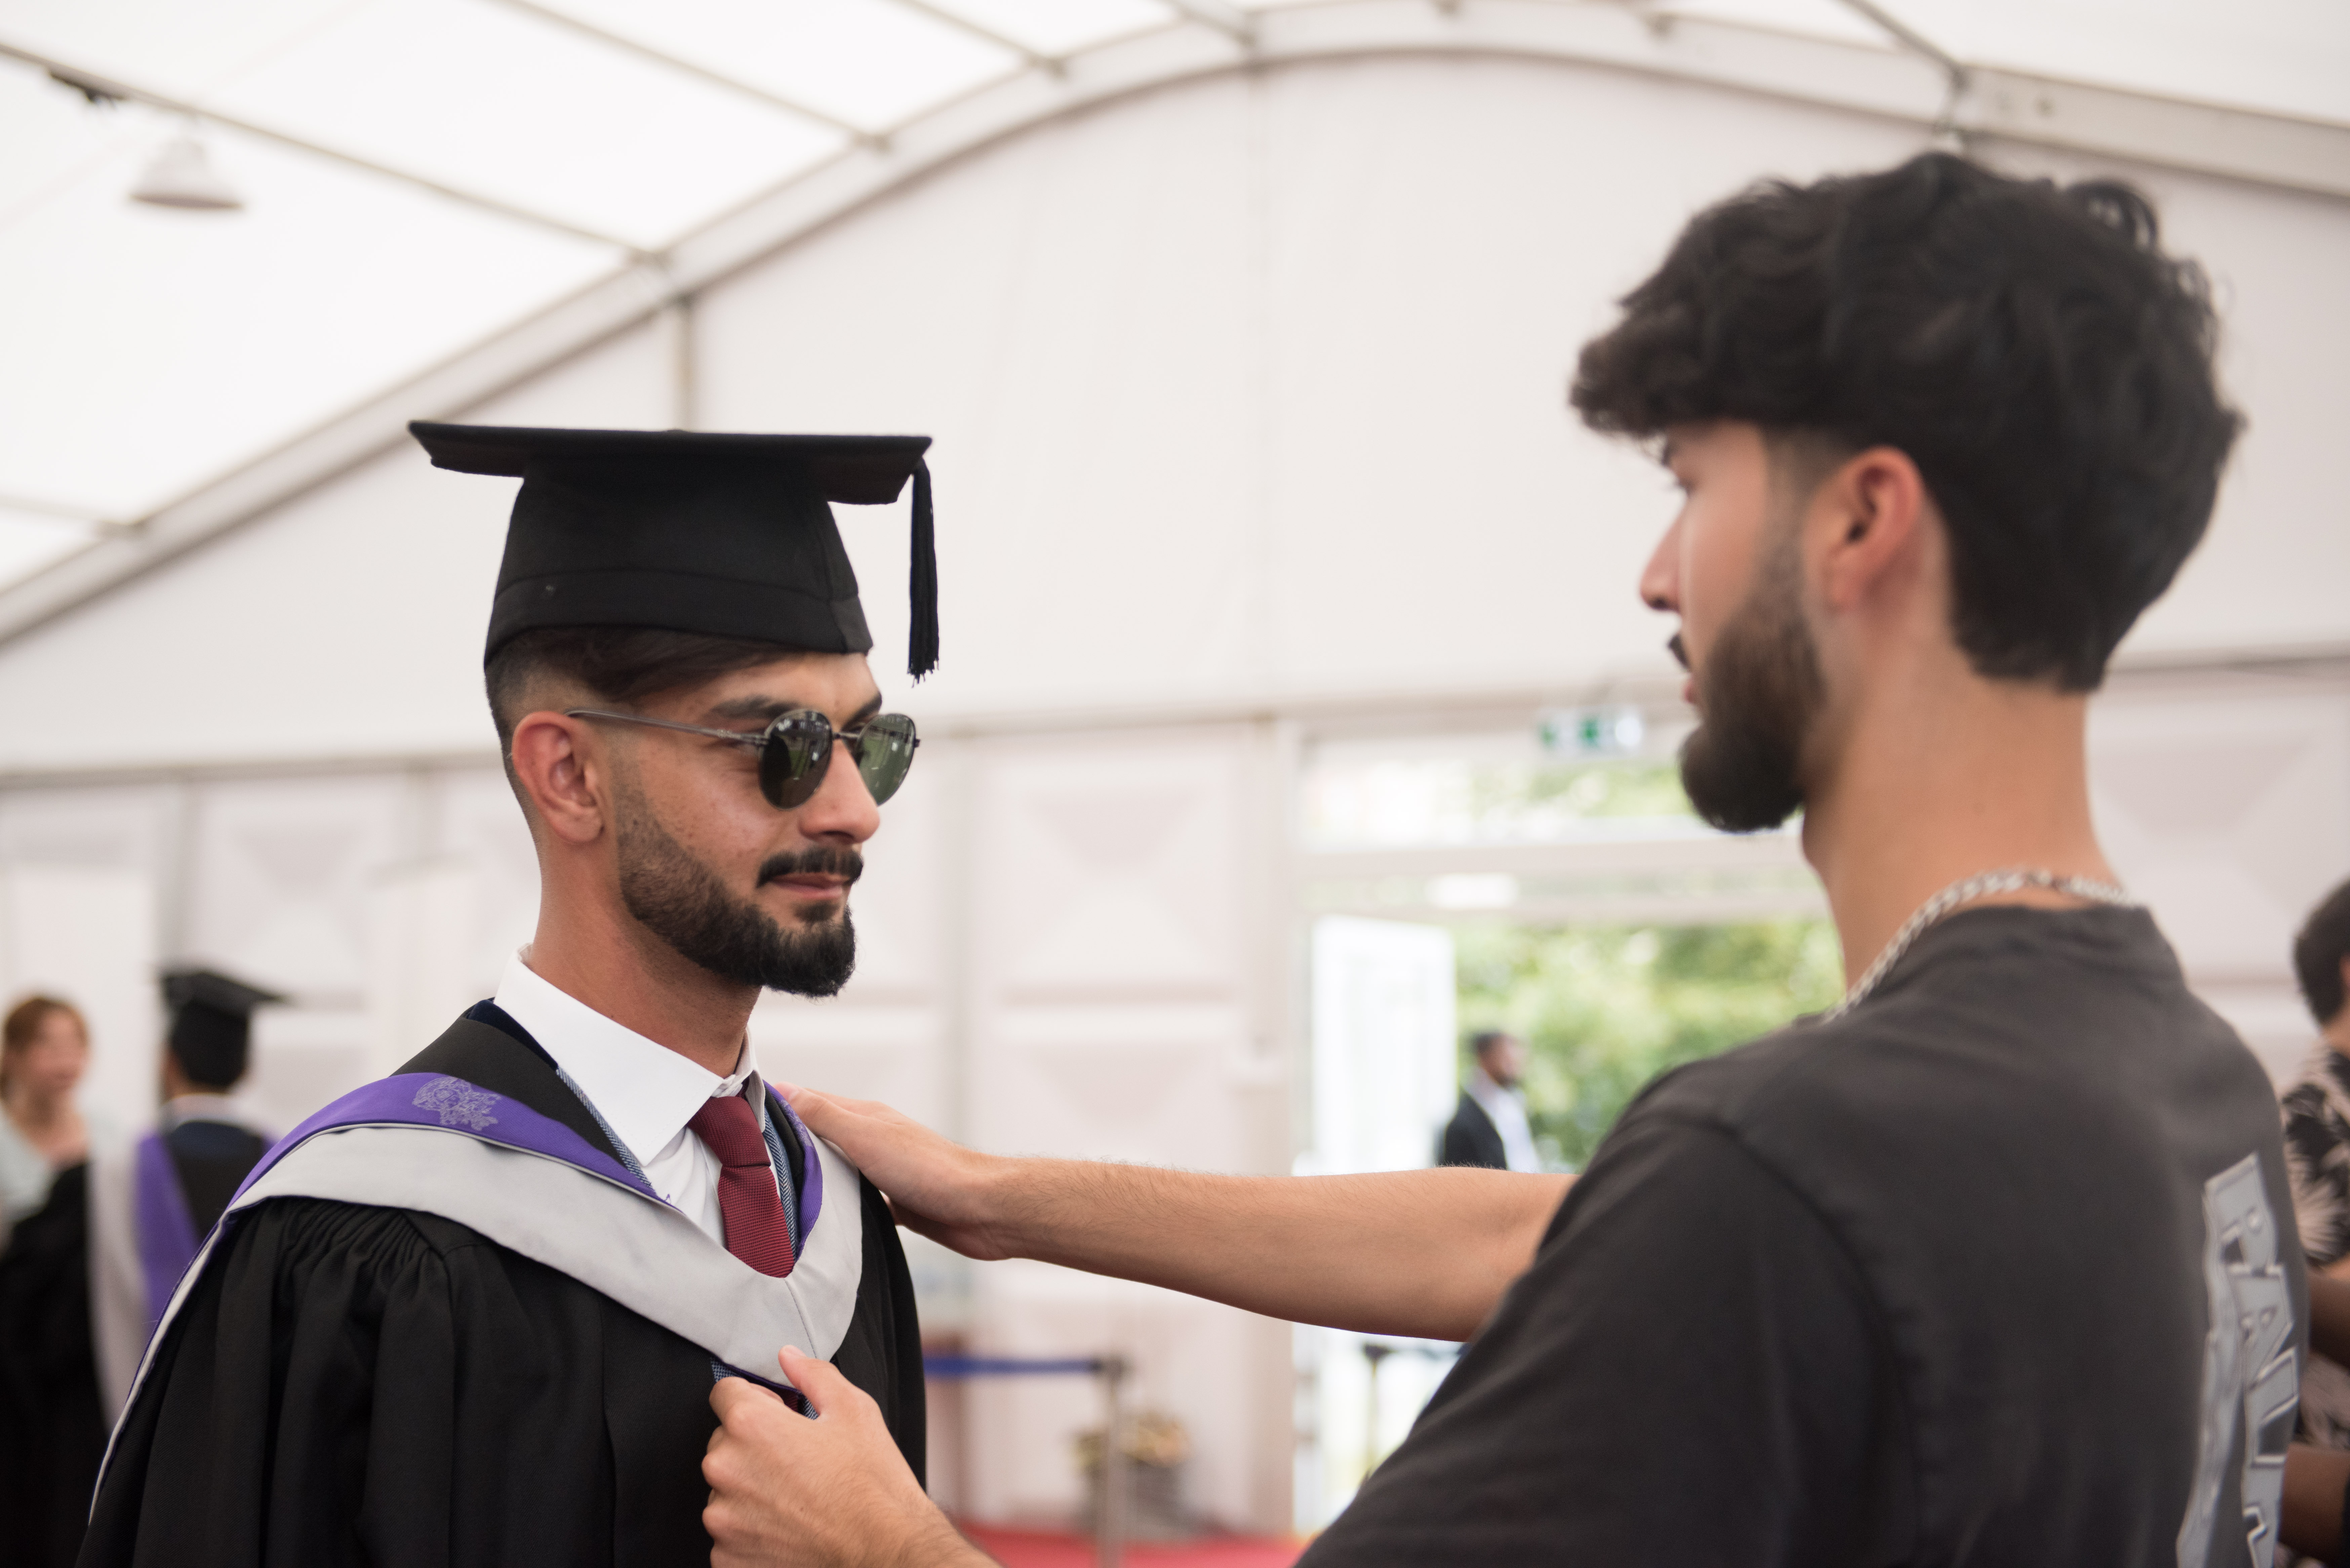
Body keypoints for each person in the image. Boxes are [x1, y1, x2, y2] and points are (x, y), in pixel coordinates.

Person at [698, 153, 2296, 1568]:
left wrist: (885, 1545)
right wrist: (1002, 1197)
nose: (1657, 574)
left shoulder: (1799, 1162)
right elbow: (1546, 1238)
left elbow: (1709, 1223)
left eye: (1690, 487)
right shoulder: (2178, 1083)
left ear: (1862, 521)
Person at [81, 424, 939, 1566]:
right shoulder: (357, 1245)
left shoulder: (833, 1214)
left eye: (866, 742)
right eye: (780, 743)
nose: (853, 808)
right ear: (569, 774)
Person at [87, 968, 284, 1415]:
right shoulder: (288, 1163)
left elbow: (118, 1308)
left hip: (155, 1415)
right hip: (255, 1417)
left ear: (167, 1061)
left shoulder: (121, 1165)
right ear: (247, 1069)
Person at [0, 995, 98, 1568]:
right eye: (47, 1045)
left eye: (75, 1045)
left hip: (78, 1357)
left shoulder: (110, 1137)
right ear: (12, 1056)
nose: (65, 1060)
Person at [1435, 1030, 1539, 1172]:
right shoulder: (1463, 1124)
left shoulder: (1512, 1107)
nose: (1514, 1061)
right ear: (1484, 1057)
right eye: (1506, 1058)